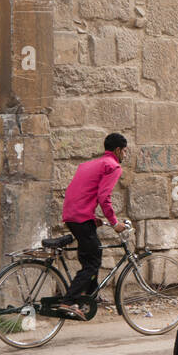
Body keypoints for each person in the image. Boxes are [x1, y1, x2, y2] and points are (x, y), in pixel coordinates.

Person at [60, 133, 128, 320]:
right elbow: (104, 197)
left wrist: (92, 216)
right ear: (117, 150)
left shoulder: (88, 164)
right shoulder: (112, 166)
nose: (125, 154)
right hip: (81, 218)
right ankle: (69, 301)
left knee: (92, 255)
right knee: (92, 263)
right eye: (124, 151)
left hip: (73, 216)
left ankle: (88, 299)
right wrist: (115, 223)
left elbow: (82, 193)